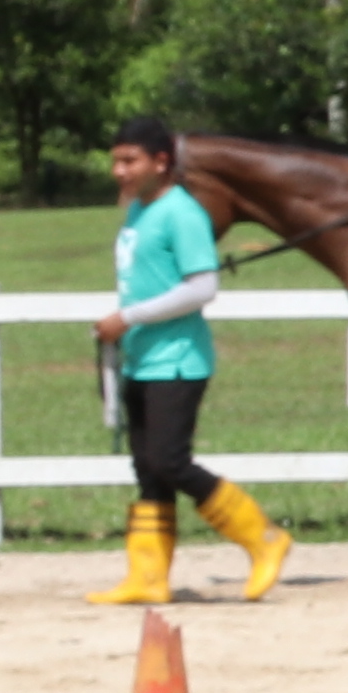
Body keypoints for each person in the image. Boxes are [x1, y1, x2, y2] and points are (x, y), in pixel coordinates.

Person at [89, 115, 294, 606]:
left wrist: (129, 317)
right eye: (115, 160)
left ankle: (263, 538)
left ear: (161, 162)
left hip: (178, 360)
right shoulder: (140, 210)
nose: (119, 170)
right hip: (143, 359)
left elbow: (202, 287)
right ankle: (149, 576)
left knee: (169, 460)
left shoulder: (182, 213)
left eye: (129, 161)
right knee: (148, 469)